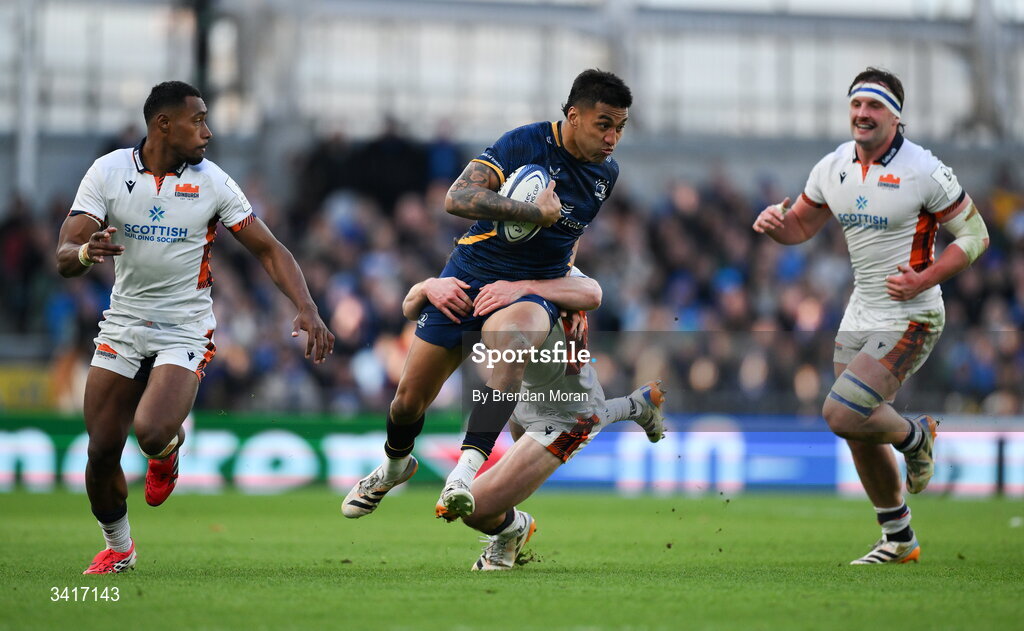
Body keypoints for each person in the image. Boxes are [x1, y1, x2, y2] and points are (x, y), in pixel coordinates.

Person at [56, 81, 335, 574]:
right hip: (122, 323)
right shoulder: (108, 171)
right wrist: (83, 253)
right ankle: (119, 549)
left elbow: (270, 249)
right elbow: (65, 253)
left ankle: (166, 451)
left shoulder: (213, 182)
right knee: (100, 451)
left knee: (151, 430)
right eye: (198, 119)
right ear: (164, 124)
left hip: (184, 327)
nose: (207, 131)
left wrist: (306, 305)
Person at [342, 69, 632, 521]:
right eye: (604, 124)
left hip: (528, 291)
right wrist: (532, 212)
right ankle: (396, 466)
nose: (613, 137)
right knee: (407, 401)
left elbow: (571, 233)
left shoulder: (604, 174)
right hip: (469, 276)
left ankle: (465, 471)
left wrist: (567, 287)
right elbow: (456, 198)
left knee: (511, 354)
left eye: (620, 127)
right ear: (574, 116)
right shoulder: (524, 142)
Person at [752, 68, 989, 565]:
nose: (862, 113)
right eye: (857, 104)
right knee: (855, 425)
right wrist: (776, 226)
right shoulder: (832, 165)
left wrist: (925, 279)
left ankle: (916, 435)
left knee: (842, 411)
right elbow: (800, 226)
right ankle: (898, 539)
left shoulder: (924, 169)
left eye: (874, 106)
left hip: (913, 313)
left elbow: (976, 237)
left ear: (896, 116)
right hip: (861, 310)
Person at [401, 270, 667, 570]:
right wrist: (429, 286)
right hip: (523, 397)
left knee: (477, 509)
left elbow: (591, 292)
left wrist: (538, 292)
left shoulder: (553, 272)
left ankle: (513, 531)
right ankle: (635, 406)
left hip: (566, 416)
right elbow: (410, 307)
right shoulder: (483, 276)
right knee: (497, 492)